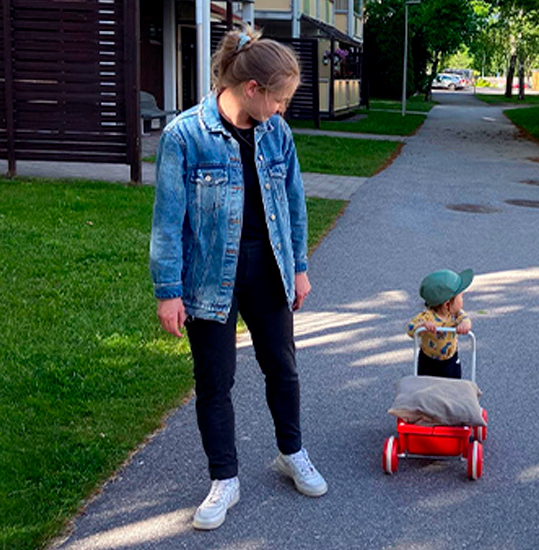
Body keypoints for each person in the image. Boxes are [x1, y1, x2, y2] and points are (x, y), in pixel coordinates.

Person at [149, 26, 326, 531]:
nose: (284, 109)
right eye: (282, 99)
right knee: (214, 381)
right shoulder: (185, 136)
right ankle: (224, 478)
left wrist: (299, 266)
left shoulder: (277, 134)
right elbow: (167, 221)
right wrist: (168, 292)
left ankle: (292, 452)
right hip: (208, 275)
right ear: (252, 89)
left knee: (283, 368)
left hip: (269, 268)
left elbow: (293, 204)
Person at [406, 269, 474, 379]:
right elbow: (410, 328)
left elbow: (465, 320)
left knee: (453, 384)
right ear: (447, 304)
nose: (462, 300)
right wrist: (422, 326)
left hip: (451, 360)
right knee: (427, 386)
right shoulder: (427, 316)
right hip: (429, 362)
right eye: (460, 296)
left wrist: (465, 325)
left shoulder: (456, 314)